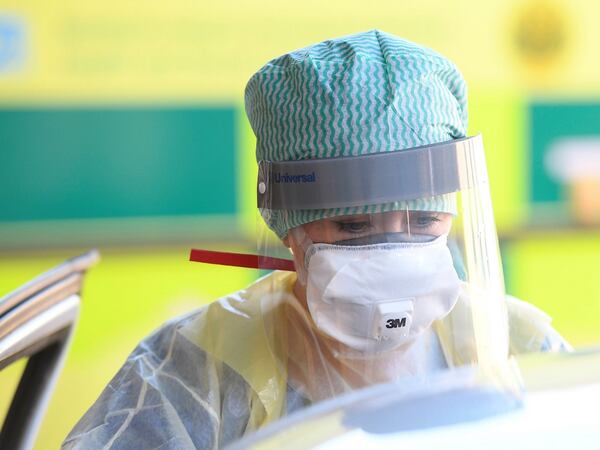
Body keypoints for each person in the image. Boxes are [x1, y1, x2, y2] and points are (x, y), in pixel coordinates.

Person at [63, 30, 570, 449]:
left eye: (424, 221)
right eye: (353, 227)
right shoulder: (199, 370)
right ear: (291, 229)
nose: (397, 254)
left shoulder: (522, 351)